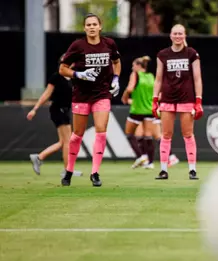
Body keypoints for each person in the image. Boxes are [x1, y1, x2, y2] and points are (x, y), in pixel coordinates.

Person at [58, 13, 121, 187]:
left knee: (101, 130)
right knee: (77, 135)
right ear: (84, 28)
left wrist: (116, 79)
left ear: (100, 26)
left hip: (101, 94)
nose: (92, 27)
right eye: (88, 25)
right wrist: (78, 74)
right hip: (81, 95)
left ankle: (95, 173)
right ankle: (69, 170)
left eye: (95, 24)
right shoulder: (78, 46)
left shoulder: (109, 44)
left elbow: (117, 62)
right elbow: (62, 69)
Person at [152, 24, 203, 180]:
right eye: (175, 33)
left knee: (188, 134)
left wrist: (198, 100)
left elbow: (197, 78)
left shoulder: (191, 54)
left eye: (181, 33)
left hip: (186, 99)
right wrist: (155, 99)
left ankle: (192, 169)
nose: (178, 36)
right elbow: (159, 78)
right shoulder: (163, 54)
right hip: (167, 99)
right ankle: (163, 169)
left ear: (185, 35)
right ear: (170, 36)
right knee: (166, 135)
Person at [26, 55, 82, 177]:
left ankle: (39, 157)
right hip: (57, 110)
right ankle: (67, 171)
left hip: (66, 111)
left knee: (63, 142)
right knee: (68, 141)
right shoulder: (56, 76)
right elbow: (46, 94)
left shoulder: (72, 78)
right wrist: (35, 109)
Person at [122, 57, 179, 169]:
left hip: (137, 110)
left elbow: (129, 89)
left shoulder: (135, 74)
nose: (133, 68)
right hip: (150, 110)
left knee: (130, 134)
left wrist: (124, 97)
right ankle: (150, 162)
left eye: (134, 66)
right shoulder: (151, 77)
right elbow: (158, 95)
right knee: (147, 136)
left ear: (138, 66)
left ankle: (142, 157)